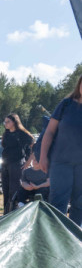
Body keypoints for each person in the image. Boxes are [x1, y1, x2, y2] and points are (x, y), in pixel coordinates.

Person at [39, 73, 82, 225]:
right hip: (60, 162)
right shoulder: (66, 104)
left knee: (79, 205)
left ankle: (75, 240)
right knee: (58, 203)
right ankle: (57, 240)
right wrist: (43, 156)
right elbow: (49, 132)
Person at [1, 113, 34, 215]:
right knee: (5, 189)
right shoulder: (6, 134)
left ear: (14, 122)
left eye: (8, 122)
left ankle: (14, 213)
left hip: (17, 163)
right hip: (5, 164)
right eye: (4, 122)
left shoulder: (22, 134)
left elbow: (35, 147)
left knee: (14, 189)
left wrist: (28, 163)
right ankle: (6, 213)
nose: (5, 124)